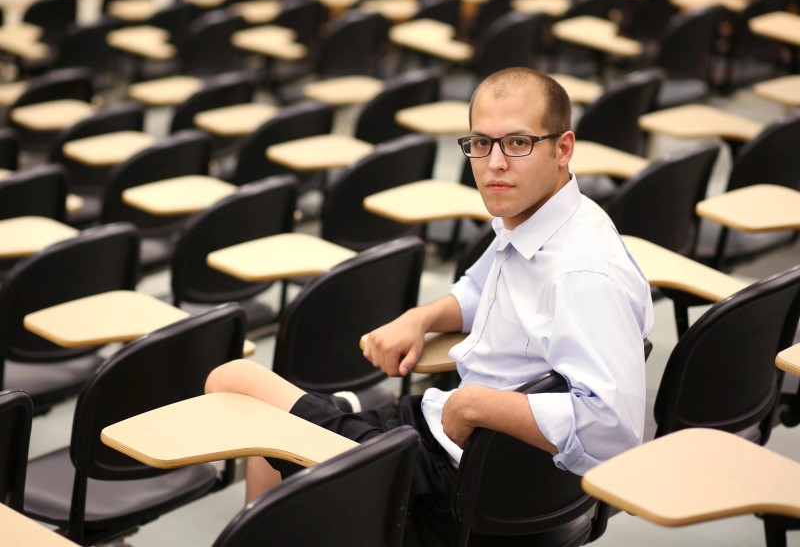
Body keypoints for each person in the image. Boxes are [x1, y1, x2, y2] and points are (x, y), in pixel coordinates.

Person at [205, 67, 654, 545]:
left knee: (236, 385)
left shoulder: (582, 274)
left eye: (518, 143)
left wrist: (475, 403)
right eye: (481, 143)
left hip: (455, 483)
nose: (495, 163)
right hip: (445, 433)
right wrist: (419, 319)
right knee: (266, 439)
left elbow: (615, 430)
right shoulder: (538, 219)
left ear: (562, 148)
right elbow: (480, 292)